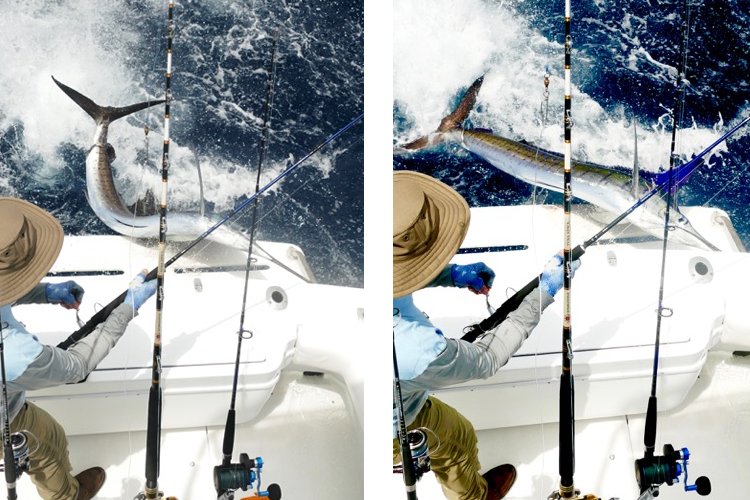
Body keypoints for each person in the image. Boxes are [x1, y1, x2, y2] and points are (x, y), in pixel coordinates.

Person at [392, 171, 581, 500]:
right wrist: (545, 291)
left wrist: (451, 275)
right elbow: (487, 359)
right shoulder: (419, 349)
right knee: (459, 438)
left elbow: (394, 272)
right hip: (394, 425)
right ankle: (475, 497)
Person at [0, 197, 157, 500]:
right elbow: (77, 366)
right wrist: (127, 308)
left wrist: (45, 292)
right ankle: (66, 496)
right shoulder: (16, 353)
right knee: (50, 440)